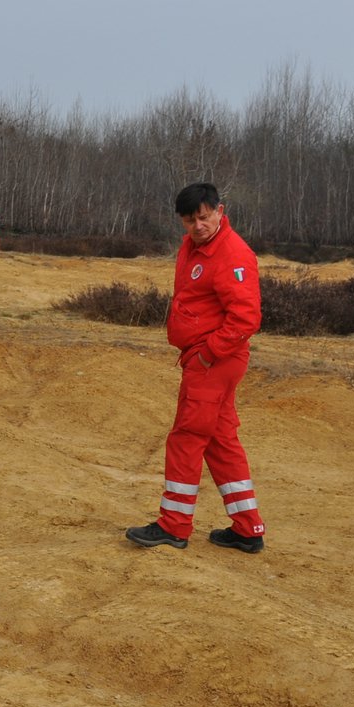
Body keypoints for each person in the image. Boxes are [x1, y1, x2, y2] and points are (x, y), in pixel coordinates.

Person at [127, 183, 265, 552]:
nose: (197, 226)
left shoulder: (232, 254)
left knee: (187, 438)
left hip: (214, 361)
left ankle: (174, 525)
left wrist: (207, 353)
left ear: (220, 210)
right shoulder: (194, 246)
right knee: (220, 441)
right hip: (204, 358)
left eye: (204, 217)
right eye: (189, 221)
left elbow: (246, 318)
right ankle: (247, 527)